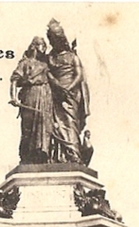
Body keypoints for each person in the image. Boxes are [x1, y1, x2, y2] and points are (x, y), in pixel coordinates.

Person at [45, 19, 91, 164]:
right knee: (55, 124)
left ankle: (74, 154)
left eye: (57, 38)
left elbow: (79, 75)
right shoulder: (49, 57)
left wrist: (68, 88)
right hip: (54, 93)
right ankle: (59, 156)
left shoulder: (73, 57)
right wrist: (56, 84)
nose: (54, 42)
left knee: (70, 123)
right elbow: (46, 72)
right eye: (52, 39)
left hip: (71, 94)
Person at [9, 36, 53, 165]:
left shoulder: (45, 65)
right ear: (34, 46)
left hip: (45, 95)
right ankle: (26, 156)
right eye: (41, 45)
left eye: (45, 46)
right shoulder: (25, 63)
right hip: (30, 95)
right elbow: (14, 80)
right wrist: (13, 97)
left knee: (44, 124)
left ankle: (42, 153)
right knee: (28, 127)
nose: (44, 48)